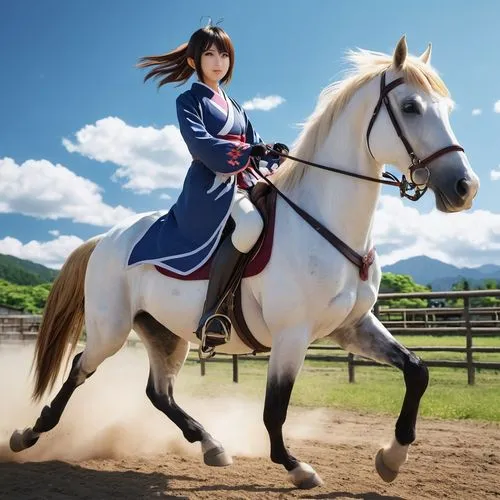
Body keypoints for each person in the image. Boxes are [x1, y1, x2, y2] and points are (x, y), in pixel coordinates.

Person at [136, 25, 288, 352]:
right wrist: (249, 152)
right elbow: (201, 144)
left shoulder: (236, 107)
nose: (218, 61)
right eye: (209, 54)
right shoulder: (188, 101)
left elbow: (255, 144)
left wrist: (272, 153)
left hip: (246, 182)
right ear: (194, 61)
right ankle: (213, 313)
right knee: (250, 225)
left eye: (224, 54)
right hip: (211, 187)